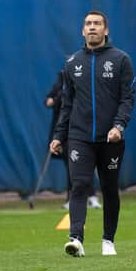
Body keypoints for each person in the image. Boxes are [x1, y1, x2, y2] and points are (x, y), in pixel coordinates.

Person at [50, 11, 135, 257]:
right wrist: (58, 135)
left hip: (111, 138)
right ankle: (75, 239)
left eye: (97, 24)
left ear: (106, 30)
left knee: (109, 188)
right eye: (88, 24)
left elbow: (127, 99)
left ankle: (108, 240)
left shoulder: (121, 60)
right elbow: (66, 104)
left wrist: (119, 126)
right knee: (80, 185)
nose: (92, 28)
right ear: (82, 31)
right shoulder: (72, 63)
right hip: (79, 137)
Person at [45, 69, 101, 210]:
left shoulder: (85, 85)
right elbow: (49, 101)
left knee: (86, 165)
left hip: (82, 130)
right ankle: (72, 198)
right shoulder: (61, 82)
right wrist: (56, 97)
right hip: (64, 133)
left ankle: (92, 197)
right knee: (71, 166)